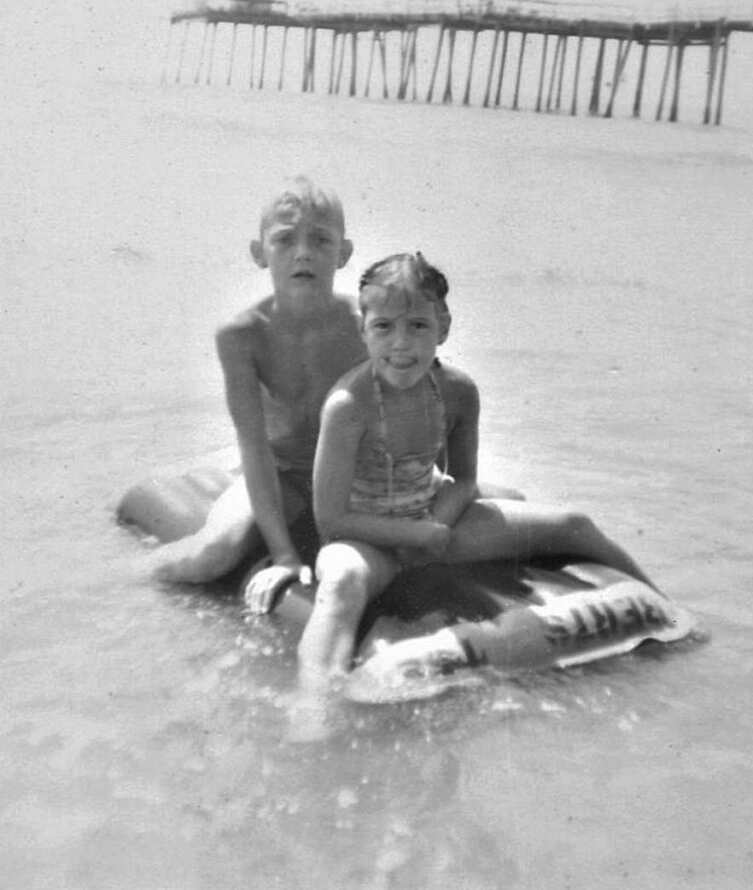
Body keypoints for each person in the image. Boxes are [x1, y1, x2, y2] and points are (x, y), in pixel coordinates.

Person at [297, 252, 657, 694]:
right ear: (363, 331)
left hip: (427, 513)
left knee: (574, 524)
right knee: (342, 584)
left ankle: (667, 614)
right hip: (362, 536)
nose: (401, 344)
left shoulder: (457, 392)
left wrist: (437, 525)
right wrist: (415, 538)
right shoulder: (348, 407)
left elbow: (463, 478)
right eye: (384, 327)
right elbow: (329, 522)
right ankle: (313, 709)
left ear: (443, 327)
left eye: (418, 326)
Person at [148, 176, 366, 597]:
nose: (303, 252)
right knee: (214, 554)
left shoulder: (367, 327)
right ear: (258, 253)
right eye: (285, 240)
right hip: (280, 476)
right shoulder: (242, 335)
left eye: (321, 240)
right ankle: (119, 578)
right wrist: (284, 555)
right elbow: (254, 447)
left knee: (498, 499)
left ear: (344, 253)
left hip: (356, 479)